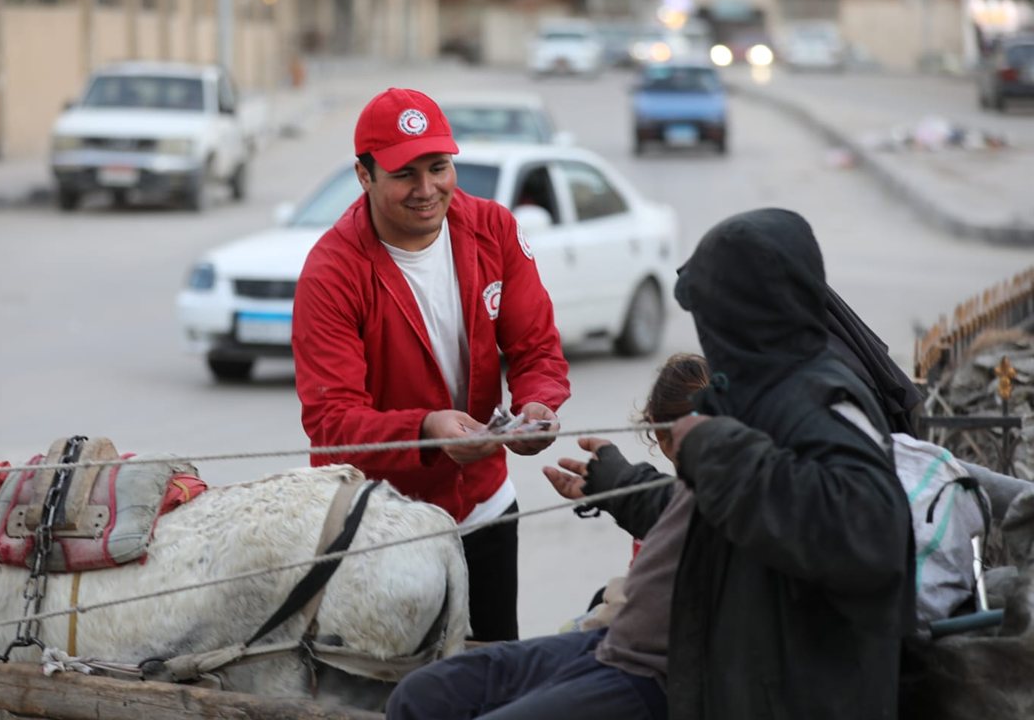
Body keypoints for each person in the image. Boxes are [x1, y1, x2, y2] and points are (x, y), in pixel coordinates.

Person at [292, 87, 571, 642]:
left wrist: (539, 403)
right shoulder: (331, 272)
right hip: (381, 525)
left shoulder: (494, 228)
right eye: (404, 174)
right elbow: (332, 423)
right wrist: (427, 429)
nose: (427, 190)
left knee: (494, 673)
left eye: (439, 167)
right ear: (363, 176)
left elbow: (536, 347)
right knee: (393, 691)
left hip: (487, 506)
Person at [663, 207, 915, 719]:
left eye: (712, 316)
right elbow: (754, 515)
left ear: (745, 314)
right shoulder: (768, 387)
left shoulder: (823, 396)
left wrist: (714, 449)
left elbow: (868, 528)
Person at [386, 353, 707, 720]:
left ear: (661, 434)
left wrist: (624, 487)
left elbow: (717, 524)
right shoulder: (689, 490)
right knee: (422, 693)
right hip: (616, 639)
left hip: (665, 668)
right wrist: (617, 492)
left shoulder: (755, 485)